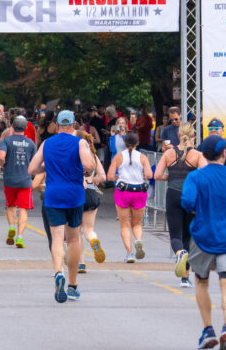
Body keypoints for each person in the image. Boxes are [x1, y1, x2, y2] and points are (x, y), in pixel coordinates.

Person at [180, 135, 226, 350]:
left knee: (201, 281)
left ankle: (208, 330)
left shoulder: (196, 177)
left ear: (202, 154)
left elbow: (188, 202)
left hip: (202, 236)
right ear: (224, 154)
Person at [28, 110, 95, 304]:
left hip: (53, 193)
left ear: (57, 126)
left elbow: (32, 169)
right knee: (73, 239)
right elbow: (89, 165)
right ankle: (73, 286)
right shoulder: (80, 142)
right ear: (74, 125)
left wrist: (48, 167)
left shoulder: (47, 143)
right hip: (74, 194)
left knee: (57, 238)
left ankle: (58, 272)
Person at [154, 122, 204, 286]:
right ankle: (185, 278)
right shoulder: (197, 155)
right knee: (187, 236)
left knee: (175, 235)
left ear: (177, 135)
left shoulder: (169, 153)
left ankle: (179, 252)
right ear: (193, 136)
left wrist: (171, 177)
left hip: (173, 194)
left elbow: (156, 175)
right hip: (190, 197)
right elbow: (204, 177)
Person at [106, 131, 152, 263]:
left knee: (124, 225)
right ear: (137, 143)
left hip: (123, 192)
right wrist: (142, 175)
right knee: (137, 224)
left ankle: (129, 253)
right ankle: (138, 240)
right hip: (139, 192)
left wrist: (116, 177)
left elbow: (109, 176)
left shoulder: (118, 157)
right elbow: (149, 174)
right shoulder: (143, 157)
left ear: (125, 143)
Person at [0, 115, 36, 248]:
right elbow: (35, 162)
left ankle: (11, 227)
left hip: (9, 179)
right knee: (23, 209)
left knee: (11, 205)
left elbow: (1, 156)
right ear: (25, 128)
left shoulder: (6, 141)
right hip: (25, 180)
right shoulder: (31, 143)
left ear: (12, 126)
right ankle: (19, 238)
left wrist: (3, 164)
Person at [79, 131, 107, 272]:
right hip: (91, 192)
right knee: (89, 230)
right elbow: (103, 177)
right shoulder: (93, 157)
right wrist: (91, 180)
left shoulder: (73, 155)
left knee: (75, 232)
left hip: (76, 193)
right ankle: (93, 240)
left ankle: (81, 263)